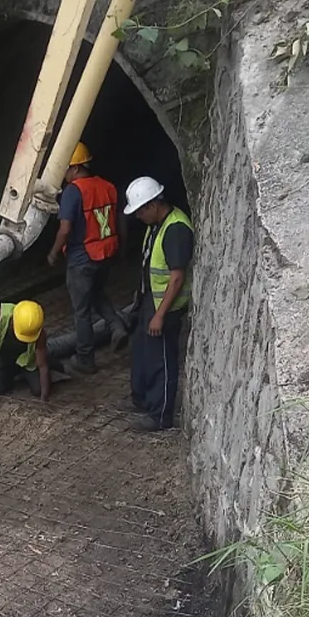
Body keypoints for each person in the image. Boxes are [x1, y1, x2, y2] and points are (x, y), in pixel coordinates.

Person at [47, 142, 128, 373]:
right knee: (97, 293)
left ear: (74, 168)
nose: (62, 174)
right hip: (106, 254)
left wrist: (54, 253)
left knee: (81, 310)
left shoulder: (73, 191)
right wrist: (121, 250)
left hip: (82, 258)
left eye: (65, 168)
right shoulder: (107, 186)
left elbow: (65, 229)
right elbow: (120, 220)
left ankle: (85, 359)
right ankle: (116, 325)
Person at [123, 176, 193, 433]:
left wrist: (160, 315)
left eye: (140, 211)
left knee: (161, 360)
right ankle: (143, 400)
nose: (138, 216)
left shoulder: (175, 229)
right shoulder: (157, 225)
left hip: (166, 307)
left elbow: (176, 277)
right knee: (143, 354)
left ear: (153, 205)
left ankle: (159, 414)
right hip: (149, 301)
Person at [0, 300, 53, 402]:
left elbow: (42, 365)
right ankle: (11, 373)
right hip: (1, 355)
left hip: (25, 360)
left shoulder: (37, 331)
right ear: (13, 320)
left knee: (38, 390)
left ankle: (21, 371)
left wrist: (44, 397)